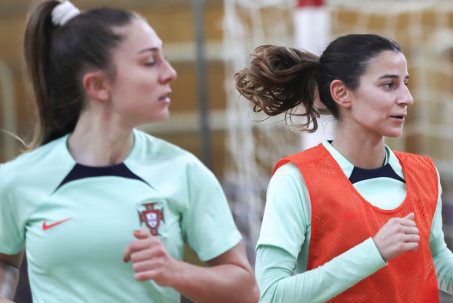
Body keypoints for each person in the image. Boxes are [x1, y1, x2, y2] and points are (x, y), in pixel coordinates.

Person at [0, 1, 259, 302]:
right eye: (150, 61)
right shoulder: (18, 179)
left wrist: (176, 272)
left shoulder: (184, 171)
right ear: (97, 85)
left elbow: (246, 291)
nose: (171, 73)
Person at [235, 34, 453, 302]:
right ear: (341, 93)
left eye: (405, 84)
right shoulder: (295, 179)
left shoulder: (425, 172)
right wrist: (374, 251)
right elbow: (272, 295)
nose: (407, 98)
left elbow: (434, 255)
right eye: (389, 85)